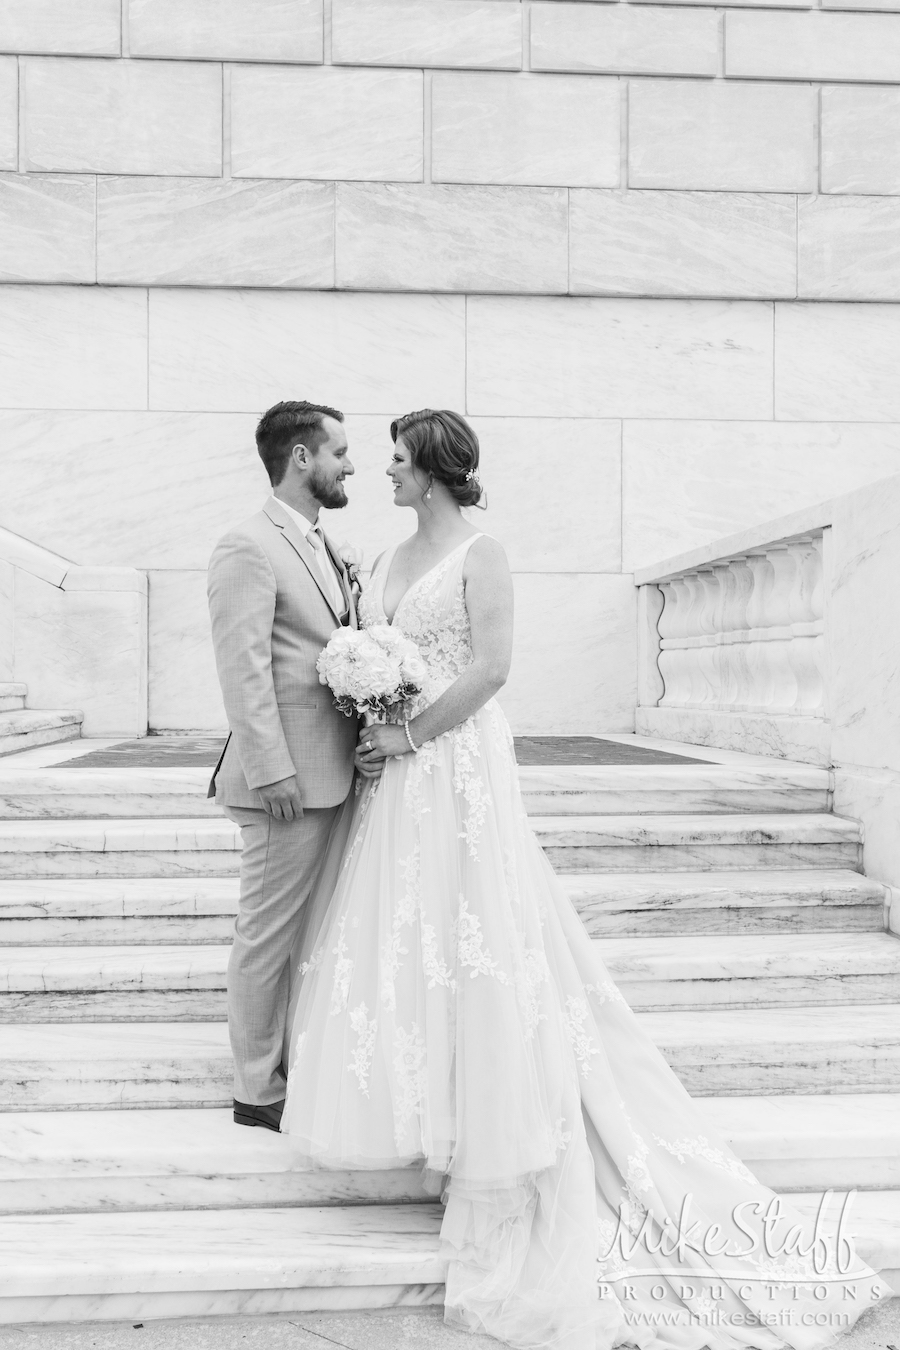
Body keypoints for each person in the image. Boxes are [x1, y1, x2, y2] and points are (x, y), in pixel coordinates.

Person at [280, 409, 890, 1350]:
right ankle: (444, 1118)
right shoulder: (390, 561)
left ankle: (503, 1136)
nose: (385, 474)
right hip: (401, 779)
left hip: (457, 762)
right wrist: (374, 704)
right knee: (420, 935)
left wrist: (406, 729)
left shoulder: (485, 555)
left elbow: (491, 670)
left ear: (435, 473)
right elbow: (393, 658)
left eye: (397, 461)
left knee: (480, 933)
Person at [207, 400, 377, 1132]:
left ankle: (293, 1062)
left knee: (305, 932)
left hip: (333, 772)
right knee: (267, 933)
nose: (352, 465)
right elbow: (241, 668)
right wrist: (271, 768)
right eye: (340, 451)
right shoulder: (246, 545)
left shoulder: (321, 543)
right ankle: (255, 1089)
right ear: (301, 457)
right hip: (285, 784)